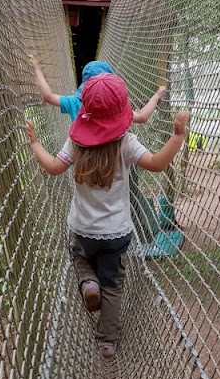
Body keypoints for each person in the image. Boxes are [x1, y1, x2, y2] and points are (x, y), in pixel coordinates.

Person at [25, 73, 190, 359]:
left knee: (79, 258)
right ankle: (107, 340)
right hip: (116, 233)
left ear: (84, 107)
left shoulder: (75, 141)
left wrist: (36, 143)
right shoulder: (126, 141)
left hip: (82, 229)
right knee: (112, 285)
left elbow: (53, 167)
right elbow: (157, 164)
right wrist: (177, 136)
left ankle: (88, 282)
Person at [28, 54, 165, 123]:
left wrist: (37, 69)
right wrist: (157, 95)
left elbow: (48, 96)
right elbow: (142, 117)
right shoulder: (117, 108)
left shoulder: (75, 102)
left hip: (80, 167)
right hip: (107, 170)